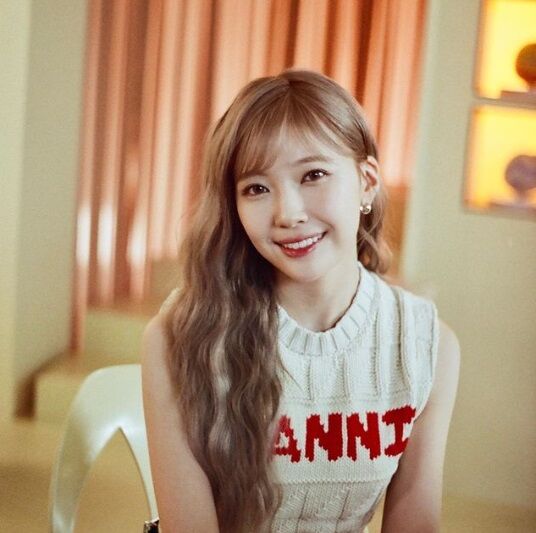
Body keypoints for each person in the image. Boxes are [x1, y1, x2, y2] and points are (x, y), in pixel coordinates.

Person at [141, 68, 460, 533]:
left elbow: (415, 516)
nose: (288, 214)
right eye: (257, 188)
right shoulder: (180, 336)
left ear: (367, 180)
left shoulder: (425, 345)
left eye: (313, 175)